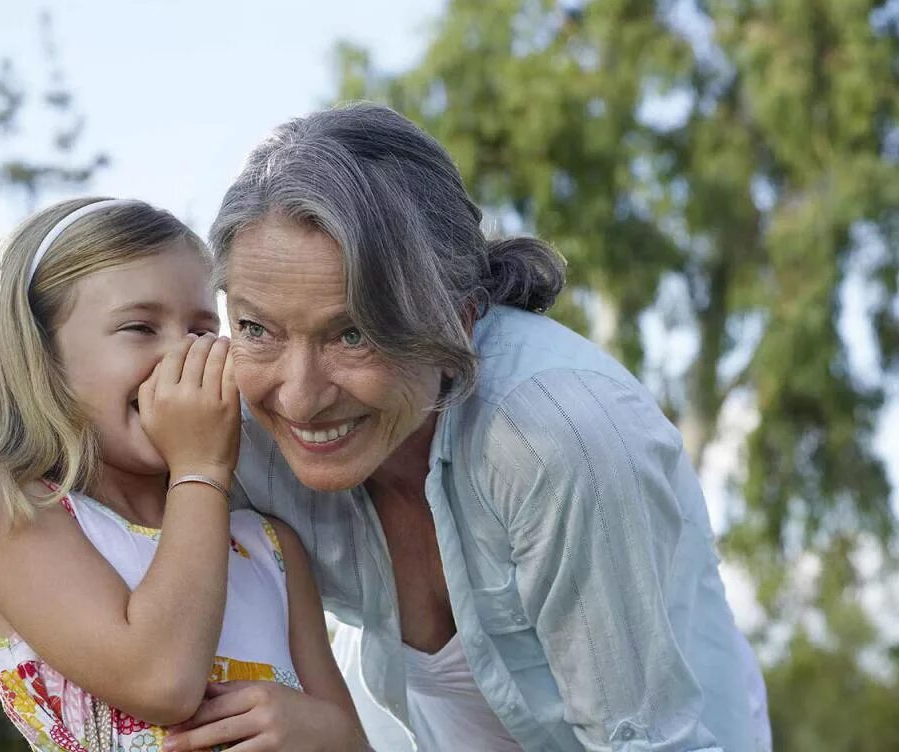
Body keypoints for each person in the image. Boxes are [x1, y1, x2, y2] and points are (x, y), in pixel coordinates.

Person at [173, 103, 772, 752]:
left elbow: (646, 744)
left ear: (457, 319)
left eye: (353, 333)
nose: (299, 396)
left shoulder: (560, 442)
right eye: (258, 329)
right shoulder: (227, 429)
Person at [0, 198, 366, 752]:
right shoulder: (5, 507)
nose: (182, 354)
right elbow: (162, 680)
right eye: (140, 327)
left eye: (203, 328)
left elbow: (353, 740)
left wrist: (327, 734)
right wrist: (201, 468)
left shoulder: (271, 549)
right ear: (41, 359)